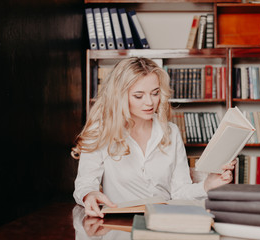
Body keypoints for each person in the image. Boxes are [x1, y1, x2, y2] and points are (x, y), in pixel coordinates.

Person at [71, 57, 236, 219]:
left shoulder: (170, 132)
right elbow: (84, 184)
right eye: (138, 95)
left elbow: (179, 192)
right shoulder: (100, 131)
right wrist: (90, 194)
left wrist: (207, 185)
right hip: (118, 225)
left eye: (155, 93)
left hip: (163, 223)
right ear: (120, 96)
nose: (150, 102)